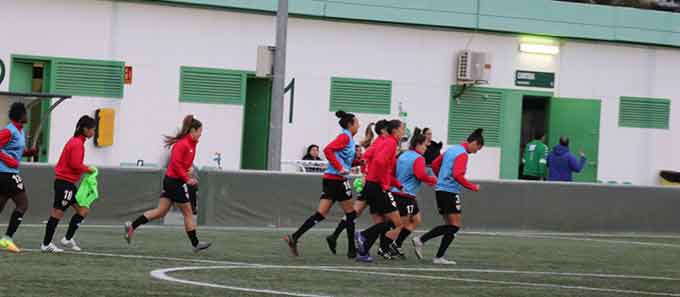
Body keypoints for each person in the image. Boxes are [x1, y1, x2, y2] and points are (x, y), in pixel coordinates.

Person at [124, 115, 211, 252]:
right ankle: (195, 244)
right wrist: (187, 179)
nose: (201, 134)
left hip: (173, 181)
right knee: (188, 212)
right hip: (174, 182)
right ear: (192, 131)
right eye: (200, 131)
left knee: (160, 212)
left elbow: (181, 164)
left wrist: (188, 169)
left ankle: (132, 226)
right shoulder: (182, 144)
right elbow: (175, 164)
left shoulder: (191, 145)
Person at [284, 111, 360, 257]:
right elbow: (328, 150)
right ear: (350, 124)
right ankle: (352, 251)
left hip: (331, 179)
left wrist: (357, 162)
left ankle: (294, 237)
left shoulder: (348, 137)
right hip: (337, 180)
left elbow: (342, 157)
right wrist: (340, 168)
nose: (359, 125)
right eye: (357, 122)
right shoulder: (345, 136)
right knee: (351, 214)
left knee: (320, 214)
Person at [412, 128, 484, 265]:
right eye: (477, 149)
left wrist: (441, 178)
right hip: (449, 191)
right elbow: (457, 175)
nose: (475, 152)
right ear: (474, 142)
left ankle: (439, 257)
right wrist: (472, 186)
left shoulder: (452, 149)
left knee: (450, 225)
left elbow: (434, 164)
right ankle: (421, 240)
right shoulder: (462, 154)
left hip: (441, 190)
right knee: (455, 226)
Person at [325, 119, 388, 257]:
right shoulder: (383, 143)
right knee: (387, 219)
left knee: (354, 213)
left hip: (369, 183)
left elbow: (366, 158)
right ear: (384, 130)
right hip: (373, 184)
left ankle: (336, 237)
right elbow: (371, 160)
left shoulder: (379, 142)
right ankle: (378, 246)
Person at [41, 115, 97, 253]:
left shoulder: (77, 142)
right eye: (92, 129)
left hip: (69, 184)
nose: (93, 132)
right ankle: (46, 244)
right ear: (85, 129)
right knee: (57, 213)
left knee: (83, 210)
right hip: (64, 183)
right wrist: (88, 169)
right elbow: (75, 164)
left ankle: (67, 239)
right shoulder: (77, 143)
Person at [354, 119, 405, 263]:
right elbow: (380, 162)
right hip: (378, 186)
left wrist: (370, 174)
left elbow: (368, 156)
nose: (403, 132)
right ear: (394, 130)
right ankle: (363, 235)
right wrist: (384, 183)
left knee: (381, 222)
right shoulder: (390, 142)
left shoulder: (382, 141)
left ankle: (363, 251)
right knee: (397, 223)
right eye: (402, 128)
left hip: (371, 184)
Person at [390, 128, 437, 258]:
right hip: (406, 195)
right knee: (399, 225)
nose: (426, 148)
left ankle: (396, 244)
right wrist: (434, 180)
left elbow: (394, 173)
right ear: (417, 145)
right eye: (424, 145)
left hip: (399, 193)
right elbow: (420, 175)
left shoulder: (403, 155)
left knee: (416, 220)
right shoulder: (419, 158)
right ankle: (385, 245)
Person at [0, 103, 36, 253]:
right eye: (25, 113)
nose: (27, 115)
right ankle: (7, 239)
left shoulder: (20, 131)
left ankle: (7, 239)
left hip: (8, 172)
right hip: (7, 173)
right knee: (23, 204)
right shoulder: (9, 130)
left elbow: (13, 151)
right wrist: (10, 161)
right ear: (20, 116)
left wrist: (28, 153)